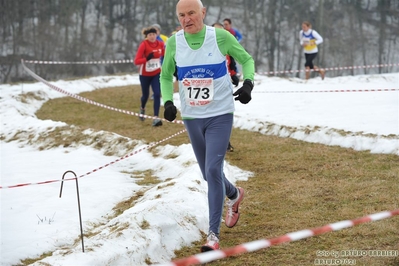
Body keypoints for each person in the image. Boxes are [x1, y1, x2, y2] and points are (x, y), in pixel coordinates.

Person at [160, 0, 255, 252]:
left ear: (202, 13)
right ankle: (234, 194)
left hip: (220, 114)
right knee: (207, 174)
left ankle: (213, 236)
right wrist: (168, 101)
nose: (186, 18)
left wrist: (248, 84)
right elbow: (165, 74)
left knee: (213, 169)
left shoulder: (220, 37)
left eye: (191, 13)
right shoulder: (174, 42)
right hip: (192, 117)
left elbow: (246, 59)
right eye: (181, 15)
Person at [212, 22, 239, 152]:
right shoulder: (206, 47)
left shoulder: (227, 47)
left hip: (225, 85)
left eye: (221, 31)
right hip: (209, 87)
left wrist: (234, 75)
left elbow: (231, 64)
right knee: (212, 114)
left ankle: (225, 142)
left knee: (225, 113)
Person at [134, 27, 165, 126]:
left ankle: (156, 118)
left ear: (156, 35)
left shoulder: (160, 44)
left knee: (157, 94)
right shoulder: (144, 45)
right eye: (150, 35)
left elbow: (165, 55)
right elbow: (136, 61)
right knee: (145, 96)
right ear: (146, 36)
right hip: (145, 74)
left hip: (156, 73)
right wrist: (146, 59)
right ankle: (142, 108)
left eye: (153, 34)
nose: (152, 37)